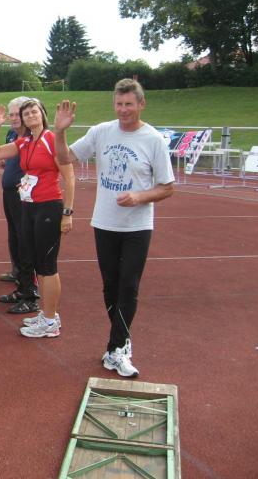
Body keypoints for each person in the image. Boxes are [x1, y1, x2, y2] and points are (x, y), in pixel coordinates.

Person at [54, 78, 174, 376]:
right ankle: (119, 344)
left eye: (129, 104)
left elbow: (167, 187)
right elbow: (64, 157)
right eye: (119, 104)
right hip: (105, 222)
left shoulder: (153, 140)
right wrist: (60, 131)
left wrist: (139, 197)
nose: (123, 110)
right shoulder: (101, 132)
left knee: (128, 285)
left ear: (141, 104)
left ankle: (117, 348)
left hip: (137, 226)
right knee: (110, 286)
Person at [0, 98, 74, 336]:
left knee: (47, 266)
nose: (30, 116)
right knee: (37, 264)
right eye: (26, 114)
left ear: (42, 114)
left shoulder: (50, 139)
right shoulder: (25, 142)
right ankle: (46, 314)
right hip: (29, 206)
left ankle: (51, 321)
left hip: (49, 207)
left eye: (34, 112)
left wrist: (67, 213)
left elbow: (69, 177)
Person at [0, 97, 41, 314]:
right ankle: (21, 283)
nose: (14, 118)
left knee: (25, 242)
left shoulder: (33, 138)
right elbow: (1, 154)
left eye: (17, 114)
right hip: (9, 194)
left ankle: (30, 292)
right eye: (12, 114)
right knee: (15, 238)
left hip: (24, 196)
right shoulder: (13, 135)